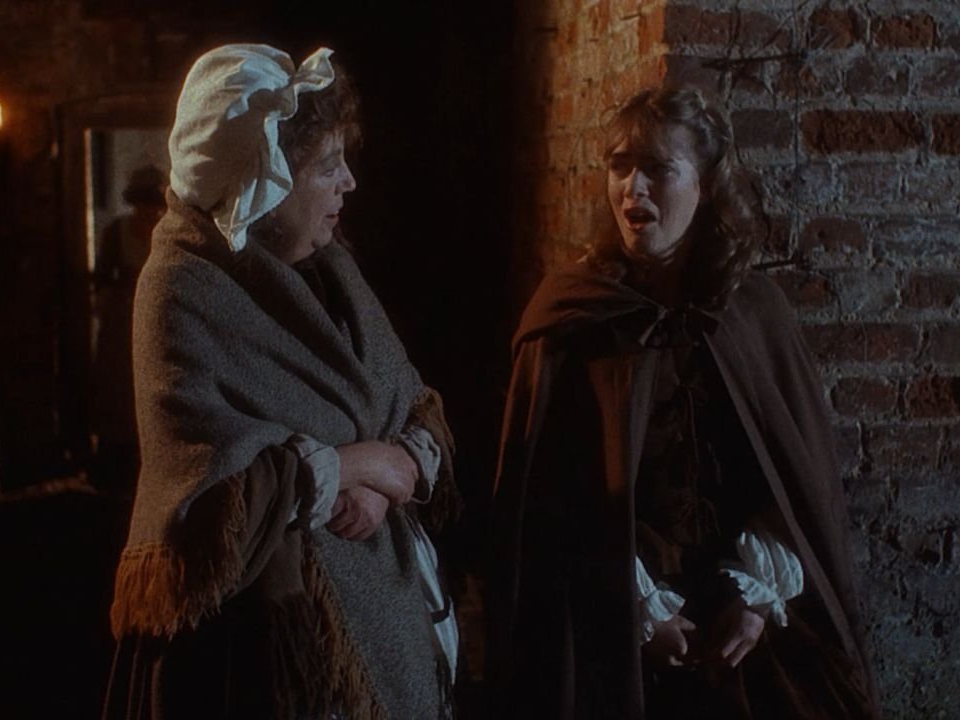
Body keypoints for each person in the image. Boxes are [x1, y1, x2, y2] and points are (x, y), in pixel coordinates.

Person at [488, 84, 881, 719]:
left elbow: (793, 485)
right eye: (620, 167)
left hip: (745, 628)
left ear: (706, 186)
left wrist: (754, 601)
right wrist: (639, 612)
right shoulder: (572, 316)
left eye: (657, 169)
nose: (632, 190)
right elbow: (544, 507)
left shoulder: (752, 312)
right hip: (604, 627)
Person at [103, 44, 460, 720]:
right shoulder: (183, 286)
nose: (348, 182)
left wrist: (393, 475)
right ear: (262, 182)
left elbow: (409, 404)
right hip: (255, 657)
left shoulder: (331, 270)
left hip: (381, 606)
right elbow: (212, 500)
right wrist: (361, 464)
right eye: (327, 166)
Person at [92, 164, 167, 492]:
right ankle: (114, 460)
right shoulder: (117, 232)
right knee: (118, 389)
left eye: (157, 205)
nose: (151, 212)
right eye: (145, 204)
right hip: (121, 322)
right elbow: (102, 277)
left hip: (157, 319)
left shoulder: (167, 232)